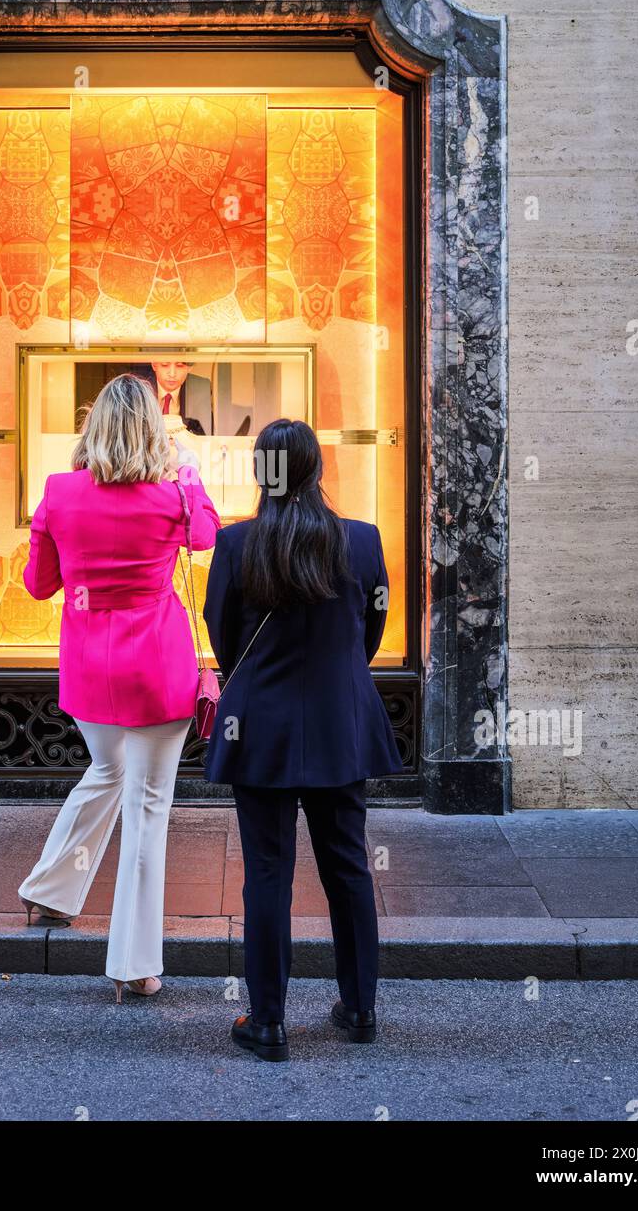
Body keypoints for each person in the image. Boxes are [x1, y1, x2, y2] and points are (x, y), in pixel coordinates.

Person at [203, 418, 404, 1061]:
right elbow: (369, 633)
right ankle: (360, 1006)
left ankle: (267, 1022)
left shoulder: (236, 545)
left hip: (259, 728)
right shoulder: (362, 541)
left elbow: (222, 634)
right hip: (341, 725)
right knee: (348, 866)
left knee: (267, 872)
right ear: (318, 470)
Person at [18, 373, 221, 1003]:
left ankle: (51, 890)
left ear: (94, 425)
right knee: (148, 805)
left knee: (107, 771)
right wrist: (188, 477)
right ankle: (132, 962)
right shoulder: (171, 497)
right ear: (153, 431)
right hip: (158, 667)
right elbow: (207, 536)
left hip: (89, 665)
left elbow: (38, 586)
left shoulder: (58, 492)